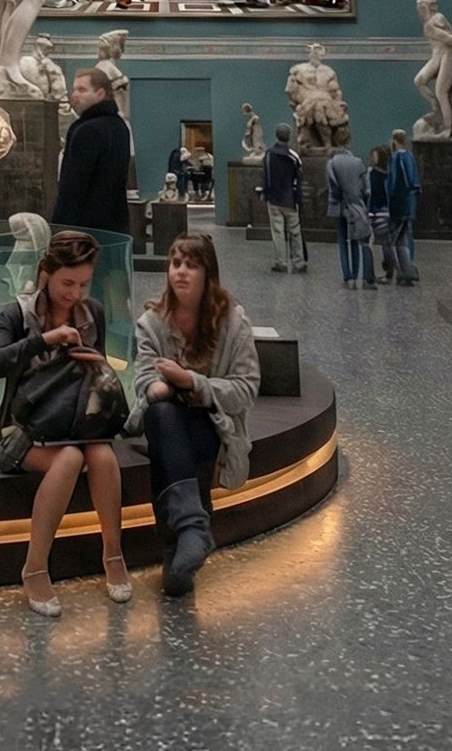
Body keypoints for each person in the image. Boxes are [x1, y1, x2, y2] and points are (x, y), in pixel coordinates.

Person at [0, 229, 128, 615]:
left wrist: (95, 363)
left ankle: (113, 556)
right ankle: (35, 568)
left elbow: (96, 374)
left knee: (103, 456)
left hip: (77, 423)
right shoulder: (16, 314)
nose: (74, 293)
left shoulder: (91, 312)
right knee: (70, 460)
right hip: (25, 432)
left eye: (83, 283)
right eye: (67, 283)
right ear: (46, 272)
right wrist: (44, 340)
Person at [131, 233, 260, 595]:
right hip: (165, 422)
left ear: (208, 274)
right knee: (162, 418)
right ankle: (194, 529)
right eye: (175, 264)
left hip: (214, 427)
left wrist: (191, 382)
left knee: (170, 433)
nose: (181, 273)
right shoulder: (151, 323)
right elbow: (143, 380)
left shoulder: (234, 324)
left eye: (191, 265)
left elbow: (246, 388)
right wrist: (157, 387)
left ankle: (178, 545)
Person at [50, 66, 132, 234]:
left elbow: (72, 187)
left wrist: (59, 229)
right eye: (74, 89)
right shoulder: (120, 127)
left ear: (100, 94)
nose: (75, 95)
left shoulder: (87, 130)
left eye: (82, 90)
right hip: (115, 225)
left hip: (84, 229)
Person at [326, 141, 374, 290]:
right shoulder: (358, 162)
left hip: (339, 206)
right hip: (356, 206)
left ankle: (348, 278)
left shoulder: (331, 163)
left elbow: (332, 186)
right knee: (354, 241)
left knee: (342, 241)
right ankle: (356, 274)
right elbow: (367, 189)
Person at [261, 124, 306, 273]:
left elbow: (266, 176)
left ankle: (281, 262)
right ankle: (298, 262)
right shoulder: (293, 156)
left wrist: (266, 193)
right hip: (290, 199)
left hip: (274, 198)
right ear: (289, 137)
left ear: (276, 136)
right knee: (295, 231)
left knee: (278, 231)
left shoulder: (268, 154)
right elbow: (299, 177)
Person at [387, 128, 421, 282]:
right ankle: (410, 264)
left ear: (394, 141)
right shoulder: (410, 157)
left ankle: (402, 268)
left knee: (397, 237)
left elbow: (395, 183)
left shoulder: (396, 158)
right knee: (409, 233)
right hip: (411, 200)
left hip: (401, 201)